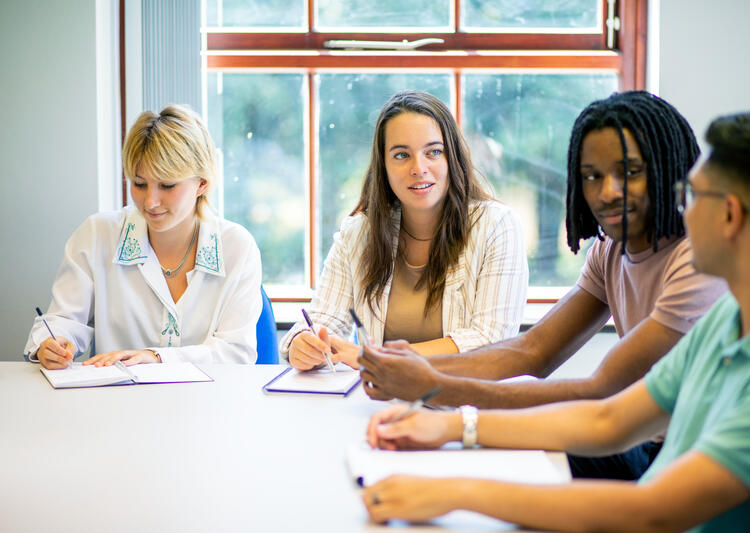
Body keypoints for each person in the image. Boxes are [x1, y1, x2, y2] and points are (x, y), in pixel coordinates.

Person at [362, 110, 750, 533]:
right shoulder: (729, 317)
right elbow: (607, 420)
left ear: (729, 215)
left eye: (691, 195)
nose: (682, 210)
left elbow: (653, 512)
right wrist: (449, 425)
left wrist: (456, 491)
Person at [280, 90, 527, 370]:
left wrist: (377, 359)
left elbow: (490, 340)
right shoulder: (359, 232)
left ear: (452, 158)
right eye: (401, 155)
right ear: (383, 165)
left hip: (465, 404)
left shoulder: (497, 226)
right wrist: (303, 342)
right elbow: (322, 321)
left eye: (433, 152)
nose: (418, 168)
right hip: (379, 403)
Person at [25, 105, 263, 367]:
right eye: (139, 184)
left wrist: (156, 358)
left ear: (202, 183)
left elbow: (236, 354)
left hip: (207, 403)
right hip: (117, 402)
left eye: (167, 185)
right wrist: (54, 342)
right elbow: (64, 321)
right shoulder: (97, 235)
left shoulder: (237, 247)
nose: (150, 201)